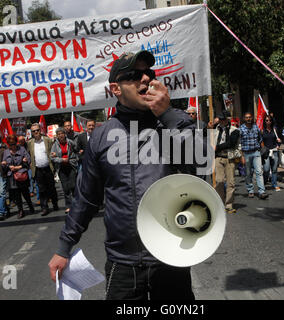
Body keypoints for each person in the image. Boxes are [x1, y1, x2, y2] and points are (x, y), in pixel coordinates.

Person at [48, 50, 200, 300]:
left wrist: (167, 113)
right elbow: (86, 198)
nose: (145, 79)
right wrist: (64, 248)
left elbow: (200, 158)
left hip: (170, 256)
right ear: (116, 89)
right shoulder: (101, 136)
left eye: (148, 73)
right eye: (135, 75)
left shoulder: (173, 122)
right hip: (123, 263)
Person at [27, 123, 59, 216]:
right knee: (41, 189)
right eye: (34, 131)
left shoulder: (47, 140)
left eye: (37, 130)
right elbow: (28, 154)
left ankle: (55, 203)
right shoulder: (30, 142)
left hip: (48, 167)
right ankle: (44, 207)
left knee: (51, 187)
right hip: (38, 169)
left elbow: (53, 150)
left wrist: (54, 154)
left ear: (40, 130)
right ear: (32, 133)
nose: (36, 132)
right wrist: (28, 161)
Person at [213, 110, 240, 213]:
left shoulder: (234, 130)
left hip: (230, 158)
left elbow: (231, 143)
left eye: (222, 119)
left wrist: (217, 147)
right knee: (219, 181)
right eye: (219, 119)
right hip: (218, 157)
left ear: (227, 119)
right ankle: (220, 202)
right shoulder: (216, 129)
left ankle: (229, 204)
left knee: (230, 182)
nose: (221, 121)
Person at [2, 134, 34, 219]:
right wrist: (6, 165)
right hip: (12, 176)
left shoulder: (22, 149)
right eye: (10, 144)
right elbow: (4, 163)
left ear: (16, 143)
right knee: (16, 195)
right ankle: (20, 210)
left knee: (25, 193)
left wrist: (20, 166)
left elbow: (28, 160)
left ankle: (30, 205)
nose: (12, 146)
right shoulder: (6, 152)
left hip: (21, 175)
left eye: (14, 144)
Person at [240, 112, 268, 199]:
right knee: (248, 173)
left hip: (256, 152)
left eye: (250, 117)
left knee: (259, 172)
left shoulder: (256, 127)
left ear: (252, 118)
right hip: (246, 153)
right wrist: (241, 156)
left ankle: (261, 191)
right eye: (246, 117)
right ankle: (250, 190)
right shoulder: (241, 129)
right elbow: (239, 143)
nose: (248, 119)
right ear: (244, 119)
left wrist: (264, 149)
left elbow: (260, 139)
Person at [50, 127, 78, 214]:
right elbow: (52, 157)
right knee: (66, 188)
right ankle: (69, 206)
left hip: (71, 166)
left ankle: (77, 204)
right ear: (57, 136)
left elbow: (76, 151)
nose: (61, 135)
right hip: (61, 168)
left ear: (64, 134)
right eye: (59, 134)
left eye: (62, 133)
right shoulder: (55, 145)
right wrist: (61, 160)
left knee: (73, 186)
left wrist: (74, 159)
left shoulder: (70, 142)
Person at [262, 115, 282, 191]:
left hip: (274, 151)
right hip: (266, 152)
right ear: (264, 121)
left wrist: (278, 145)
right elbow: (260, 141)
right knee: (266, 169)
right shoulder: (262, 130)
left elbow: (279, 139)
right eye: (267, 120)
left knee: (274, 169)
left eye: (270, 120)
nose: (268, 122)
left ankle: (274, 184)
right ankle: (263, 182)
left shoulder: (275, 129)